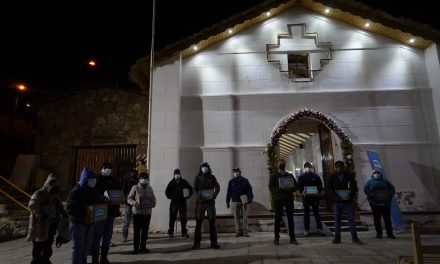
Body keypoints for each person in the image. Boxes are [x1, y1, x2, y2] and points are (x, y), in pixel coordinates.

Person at [27, 173, 66, 264]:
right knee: (38, 247)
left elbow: (59, 206)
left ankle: (45, 260)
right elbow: (32, 205)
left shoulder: (55, 195)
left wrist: (65, 215)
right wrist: (43, 212)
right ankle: (36, 261)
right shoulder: (39, 193)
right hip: (40, 226)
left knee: (48, 245)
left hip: (51, 226)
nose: (56, 188)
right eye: (54, 185)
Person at [66, 167, 100, 264]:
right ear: (85, 179)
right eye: (91, 179)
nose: (93, 181)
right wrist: (83, 215)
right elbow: (70, 208)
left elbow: (96, 203)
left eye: (94, 180)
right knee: (78, 247)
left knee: (86, 247)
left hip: (90, 222)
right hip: (78, 223)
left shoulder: (93, 190)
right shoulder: (75, 191)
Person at [90, 162, 122, 264]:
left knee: (107, 235)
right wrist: (101, 197)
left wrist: (119, 202)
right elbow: (92, 192)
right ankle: (95, 258)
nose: (107, 170)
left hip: (111, 211)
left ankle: (104, 258)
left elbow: (118, 192)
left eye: (109, 168)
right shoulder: (96, 179)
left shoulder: (114, 180)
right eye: (105, 168)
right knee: (97, 234)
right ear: (101, 169)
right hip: (100, 209)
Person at [327, 160, 363, 244]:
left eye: (340, 166)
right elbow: (329, 188)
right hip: (337, 202)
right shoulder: (332, 176)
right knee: (337, 220)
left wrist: (350, 195)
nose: (339, 168)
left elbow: (353, 186)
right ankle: (337, 238)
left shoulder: (349, 175)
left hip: (348, 201)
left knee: (351, 219)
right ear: (335, 167)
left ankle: (355, 237)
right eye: (337, 166)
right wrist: (334, 196)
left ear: (343, 167)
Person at [269, 159, 299, 245]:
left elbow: (295, 186)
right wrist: (279, 189)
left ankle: (292, 238)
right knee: (277, 219)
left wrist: (291, 188)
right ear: (278, 165)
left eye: (283, 164)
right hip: (279, 199)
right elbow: (271, 187)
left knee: (290, 219)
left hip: (288, 199)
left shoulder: (289, 175)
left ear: (285, 165)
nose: (282, 165)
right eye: (280, 164)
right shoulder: (274, 175)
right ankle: (276, 238)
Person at [192, 162, 221, 250]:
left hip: (210, 204)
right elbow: (194, 189)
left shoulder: (212, 177)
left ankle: (214, 243)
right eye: (203, 167)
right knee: (198, 224)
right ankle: (196, 244)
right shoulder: (197, 178)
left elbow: (218, 187)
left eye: (206, 167)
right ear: (200, 168)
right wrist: (198, 196)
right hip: (200, 204)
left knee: (212, 223)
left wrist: (214, 195)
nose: (204, 169)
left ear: (208, 168)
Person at [127, 172, 156, 254]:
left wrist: (153, 203)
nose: (144, 179)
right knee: (137, 232)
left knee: (145, 231)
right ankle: (136, 249)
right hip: (137, 213)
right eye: (142, 178)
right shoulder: (135, 187)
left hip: (147, 213)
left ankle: (143, 247)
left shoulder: (149, 188)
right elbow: (129, 198)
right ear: (139, 179)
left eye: (145, 178)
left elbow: (154, 198)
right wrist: (134, 203)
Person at [364, 170, 396, 239]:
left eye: (378, 173)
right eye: (375, 173)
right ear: (372, 175)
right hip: (375, 204)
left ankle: (390, 234)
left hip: (386, 204)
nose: (377, 174)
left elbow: (392, 188)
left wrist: (390, 196)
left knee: (387, 219)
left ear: (381, 174)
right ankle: (379, 234)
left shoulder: (385, 181)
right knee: (377, 219)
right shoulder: (369, 182)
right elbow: (366, 189)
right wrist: (371, 196)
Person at [297, 162, 323, 236]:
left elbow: (319, 185)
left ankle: (319, 229)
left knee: (316, 213)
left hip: (315, 198)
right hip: (306, 198)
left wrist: (319, 191)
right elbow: (299, 186)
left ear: (311, 167)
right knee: (306, 214)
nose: (308, 168)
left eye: (309, 166)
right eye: (307, 166)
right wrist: (302, 192)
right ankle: (306, 229)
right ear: (304, 167)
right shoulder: (301, 176)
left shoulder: (316, 176)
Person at [165, 168, 193, 238]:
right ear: (174, 175)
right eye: (176, 174)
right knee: (172, 218)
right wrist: (171, 197)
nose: (177, 175)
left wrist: (189, 195)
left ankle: (184, 232)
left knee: (183, 218)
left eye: (178, 174)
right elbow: (166, 192)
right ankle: (171, 232)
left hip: (182, 203)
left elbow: (190, 189)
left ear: (180, 175)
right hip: (174, 203)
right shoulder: (171, 183)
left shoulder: (184, 182)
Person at [226, 167, 253, 237]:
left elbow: (249, 190)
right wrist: (227, 201)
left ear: (240, 172)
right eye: (234, 171)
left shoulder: (245, 180)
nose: (235, 173)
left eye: (237, 171)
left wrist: (250, 198)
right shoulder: (231, 181)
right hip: (235, 200)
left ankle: (245, 232)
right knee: (236, 217)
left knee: (245, 217)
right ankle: (238, 231)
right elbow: (228, 192)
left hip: (244, 199)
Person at [121, 169, 138, 242]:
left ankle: (136, 236)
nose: (134, 174)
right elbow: (123, 191)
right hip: (128, 203)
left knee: (136, 221)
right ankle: (125, 236)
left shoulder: (138, 182)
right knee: (127, 220)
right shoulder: (127, 182)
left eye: (135, 173)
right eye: (133, 173)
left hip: (136, 203)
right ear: (131, 174)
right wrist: (124, 200)